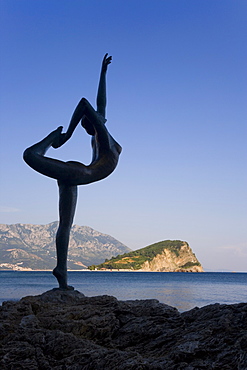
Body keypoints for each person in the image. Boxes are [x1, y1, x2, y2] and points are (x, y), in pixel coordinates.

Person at [23, 54, 122, 289]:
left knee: (65, 225)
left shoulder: (102, 136)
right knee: (30, 155)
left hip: (77, 174)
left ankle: (62, 273)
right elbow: (85, 104)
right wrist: (66, 134)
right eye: (97, 121)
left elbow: (100, 105)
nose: (100, 119)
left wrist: (103, 73)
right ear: (93, 124)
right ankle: (52, 137)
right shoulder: (104, 141)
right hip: (80, 174)